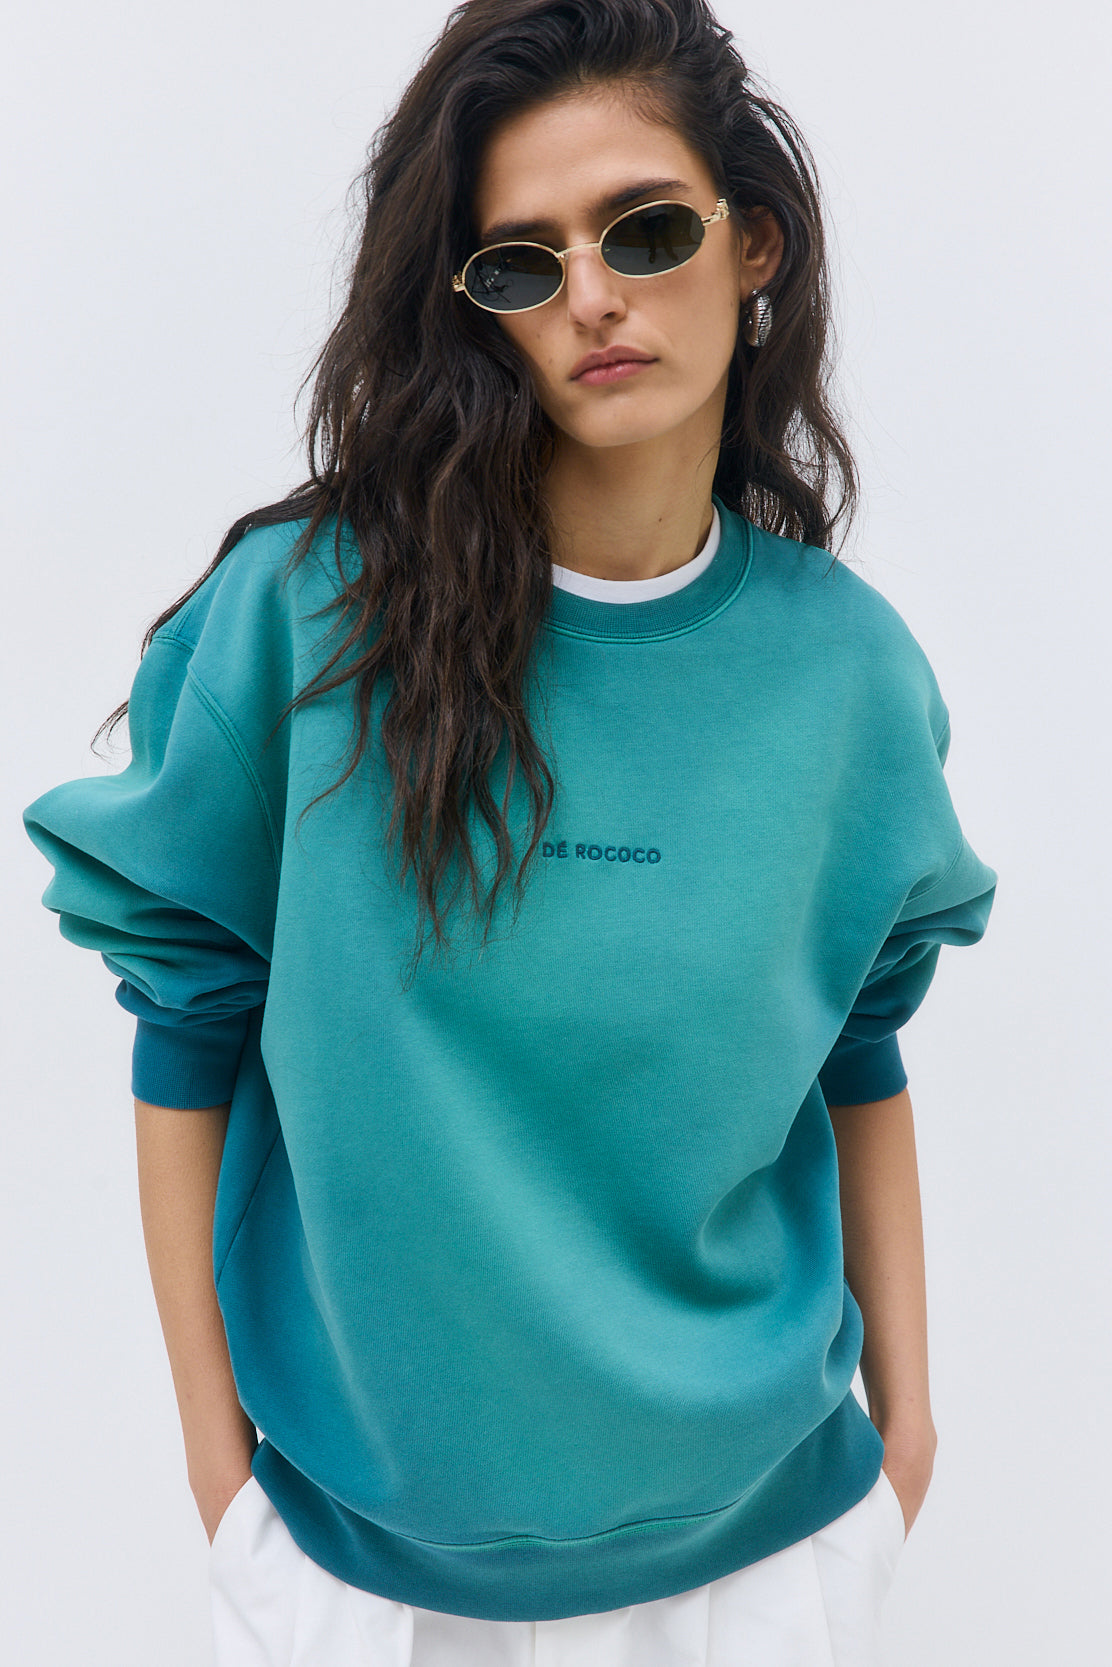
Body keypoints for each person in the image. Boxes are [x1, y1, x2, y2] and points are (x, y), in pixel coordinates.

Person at [22, 1, 998, 1662]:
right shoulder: (307, 621)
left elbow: (859, 1050)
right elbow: (186, 1019)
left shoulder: (845, 670)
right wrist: (219, 1480)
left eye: (646, 229)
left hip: (765, 1558)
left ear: (753, 242)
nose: (594, 295)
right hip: (364, 1579)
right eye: (522, 263)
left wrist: (907, 1440)